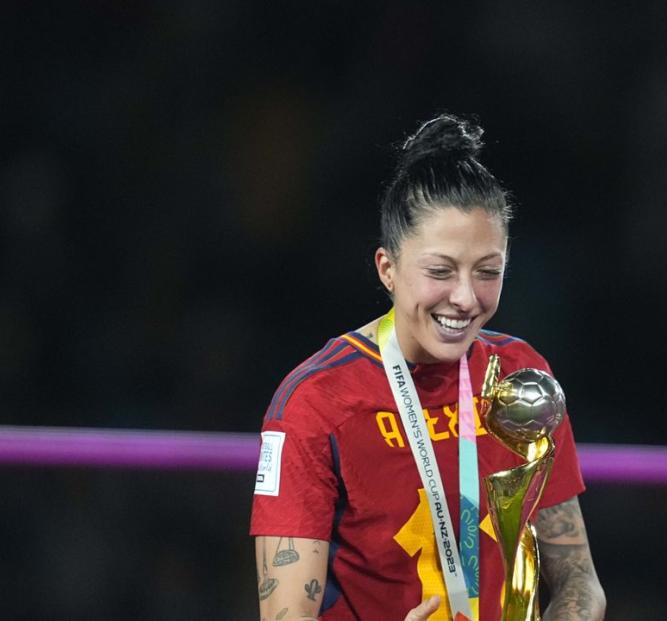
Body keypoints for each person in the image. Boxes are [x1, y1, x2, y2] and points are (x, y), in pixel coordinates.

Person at [250, 114, 605, 621]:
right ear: (387, 268)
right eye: (440, 271)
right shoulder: (317, 402)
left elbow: (579, 580)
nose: (464, 298)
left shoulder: (523, 378)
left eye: (488, 272)